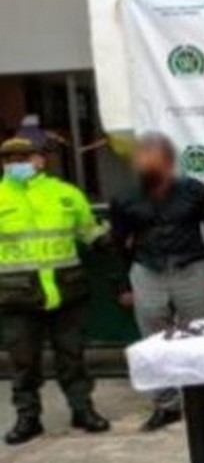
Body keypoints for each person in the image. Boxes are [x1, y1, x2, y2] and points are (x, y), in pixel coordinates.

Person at [110, 132, 204, 431]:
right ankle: (166, 405)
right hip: (148, 271)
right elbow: (118, 244)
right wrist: (124, 285)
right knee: (154, 342)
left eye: (153, 158)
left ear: (168, 162)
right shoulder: (124, 198)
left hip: (191, 268)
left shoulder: (195, 191)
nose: (147, 163)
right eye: (142, 158)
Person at [0, 138, 112, 444]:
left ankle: (82, 410)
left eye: (23, 157)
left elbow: (89, 231)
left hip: (67, 292)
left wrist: (113, 237)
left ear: (39, 160)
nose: (15, 164)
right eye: (9, 159)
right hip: (17, 296)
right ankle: (28, 418)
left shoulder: (65, 194)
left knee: (72, 357)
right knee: (23, 363)